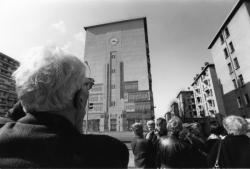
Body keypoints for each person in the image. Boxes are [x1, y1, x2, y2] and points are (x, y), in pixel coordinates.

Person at [0, 46, 129, 168]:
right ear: (80, 99)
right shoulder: (109, 153)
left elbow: (9, 117)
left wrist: (32, 94)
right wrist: (76, 124)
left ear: (22, 99)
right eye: (88, 85)